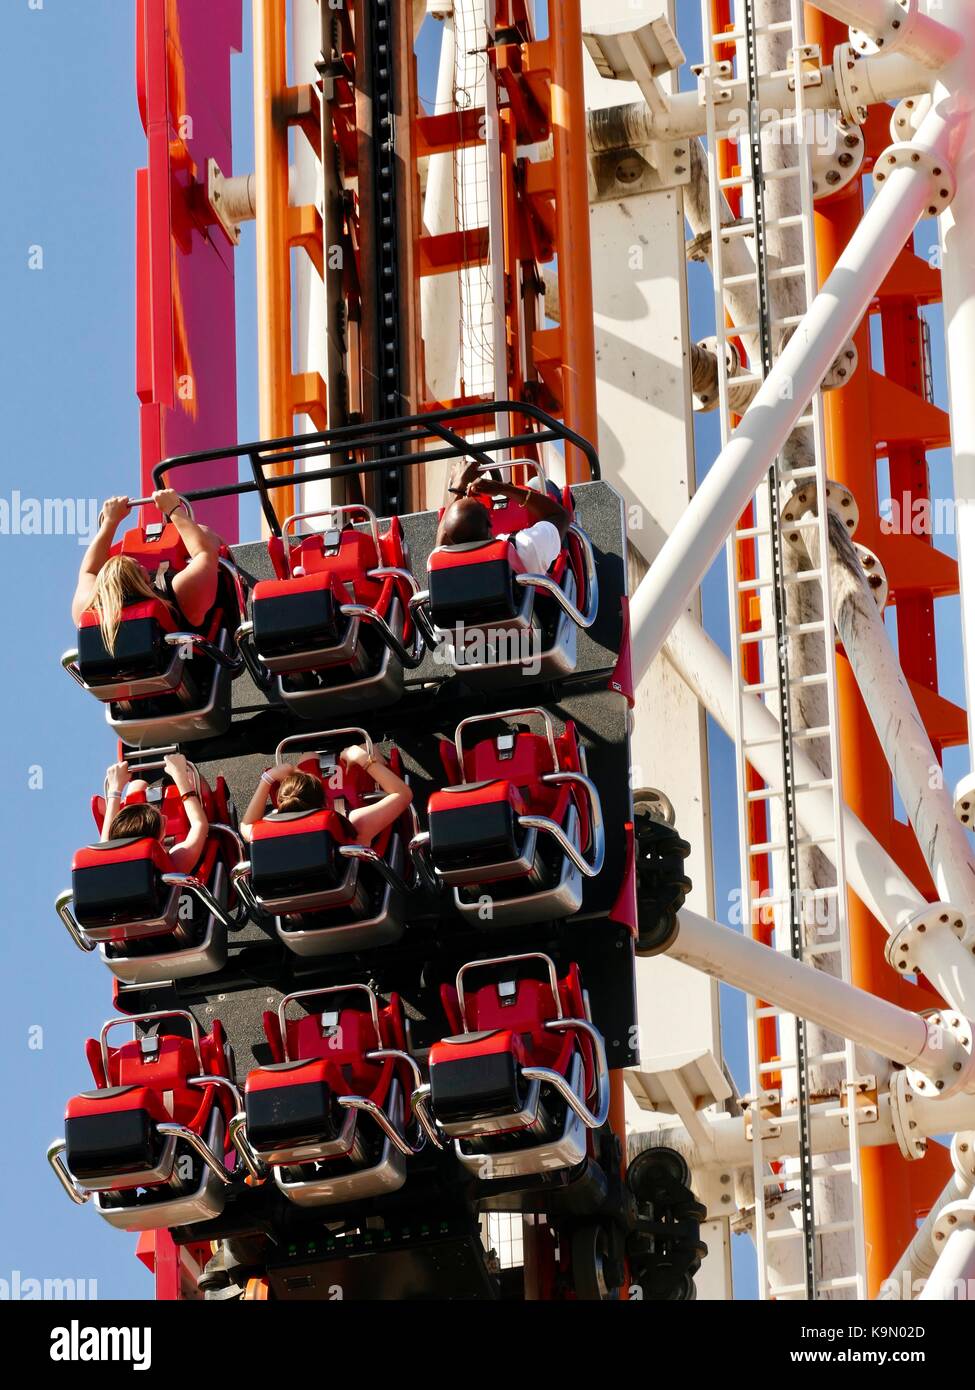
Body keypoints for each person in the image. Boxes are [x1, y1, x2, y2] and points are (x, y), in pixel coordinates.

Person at [71, 489, 222, 652]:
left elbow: (89, 571)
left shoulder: (88, 608)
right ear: (144, 576)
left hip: (125, 675)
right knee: (205, 533)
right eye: (137, 565)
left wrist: (109, 522)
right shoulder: (181, 591)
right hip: (197, 668)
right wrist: (173, 509)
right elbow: (204, 552)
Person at [241, 744, 412, 846]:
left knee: (308, 757)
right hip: (357, 887)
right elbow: (403, 794)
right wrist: (362, 757)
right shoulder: (353, 824)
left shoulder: (270, 833)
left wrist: (267, 778)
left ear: (280, 803)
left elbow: (245, 826)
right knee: (367, 747)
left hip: (301, 897)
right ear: (324, 799)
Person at [434, 457, 570, 576]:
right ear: (489, 523)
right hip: (533, 603)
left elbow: (441, 545)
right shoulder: (523, 548)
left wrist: (458, 485)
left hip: (506, 605)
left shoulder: (442, 566)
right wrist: (504, 488)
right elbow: (560, 515)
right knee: (538, 484)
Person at [101, 752, 209, 875]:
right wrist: (180, 776)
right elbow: (199, 824)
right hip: (177, 885)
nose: (165, 816)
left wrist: (115, 788)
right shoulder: (175, 862)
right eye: (162, 820)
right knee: (193, 777)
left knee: (136, 785)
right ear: (159, 837)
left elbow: (106, 843)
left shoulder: (108, 861)